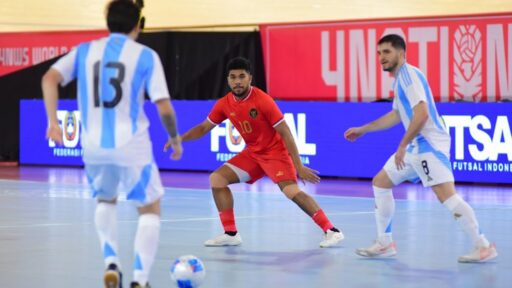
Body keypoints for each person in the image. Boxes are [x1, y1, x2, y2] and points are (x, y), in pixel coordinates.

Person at [41, 1, 183, 287]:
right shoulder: (146, 55)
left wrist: (53, 122)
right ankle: (140, 280)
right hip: (132, 145)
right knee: (149, 209)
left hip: (92, 145)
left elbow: (49, 78)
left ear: (108, 22)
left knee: (105, 200)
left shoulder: (84, 51)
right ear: (138, 25)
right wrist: (175, 137)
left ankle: (111, 263)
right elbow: (164, 106)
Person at [344, 34, 497, 263]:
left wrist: (402, 145)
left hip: (429, 145)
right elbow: (396, 115)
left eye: (387, 52)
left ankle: (483, 246)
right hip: (418, 145)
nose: (381, 57)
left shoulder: (409, 76)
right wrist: (364, 129)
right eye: (379, 53)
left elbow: (422, 113)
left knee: (447, 196)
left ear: (401, 53)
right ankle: (385, 244)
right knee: (380, 183)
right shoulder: (399, 81)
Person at [181, 57, 343, 248]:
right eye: (233, 77)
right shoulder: (224, 104)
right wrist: (179, 139)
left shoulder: (263, 100)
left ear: (250, 78)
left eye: (242, 76)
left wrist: (299, 166)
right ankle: (231, 233)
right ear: (228, 80)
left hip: (275, 153)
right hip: (253, 154)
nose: (237, 81)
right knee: (217, 179)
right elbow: (203, 128)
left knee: (291, 191)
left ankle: (331, 230)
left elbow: (286, 132)